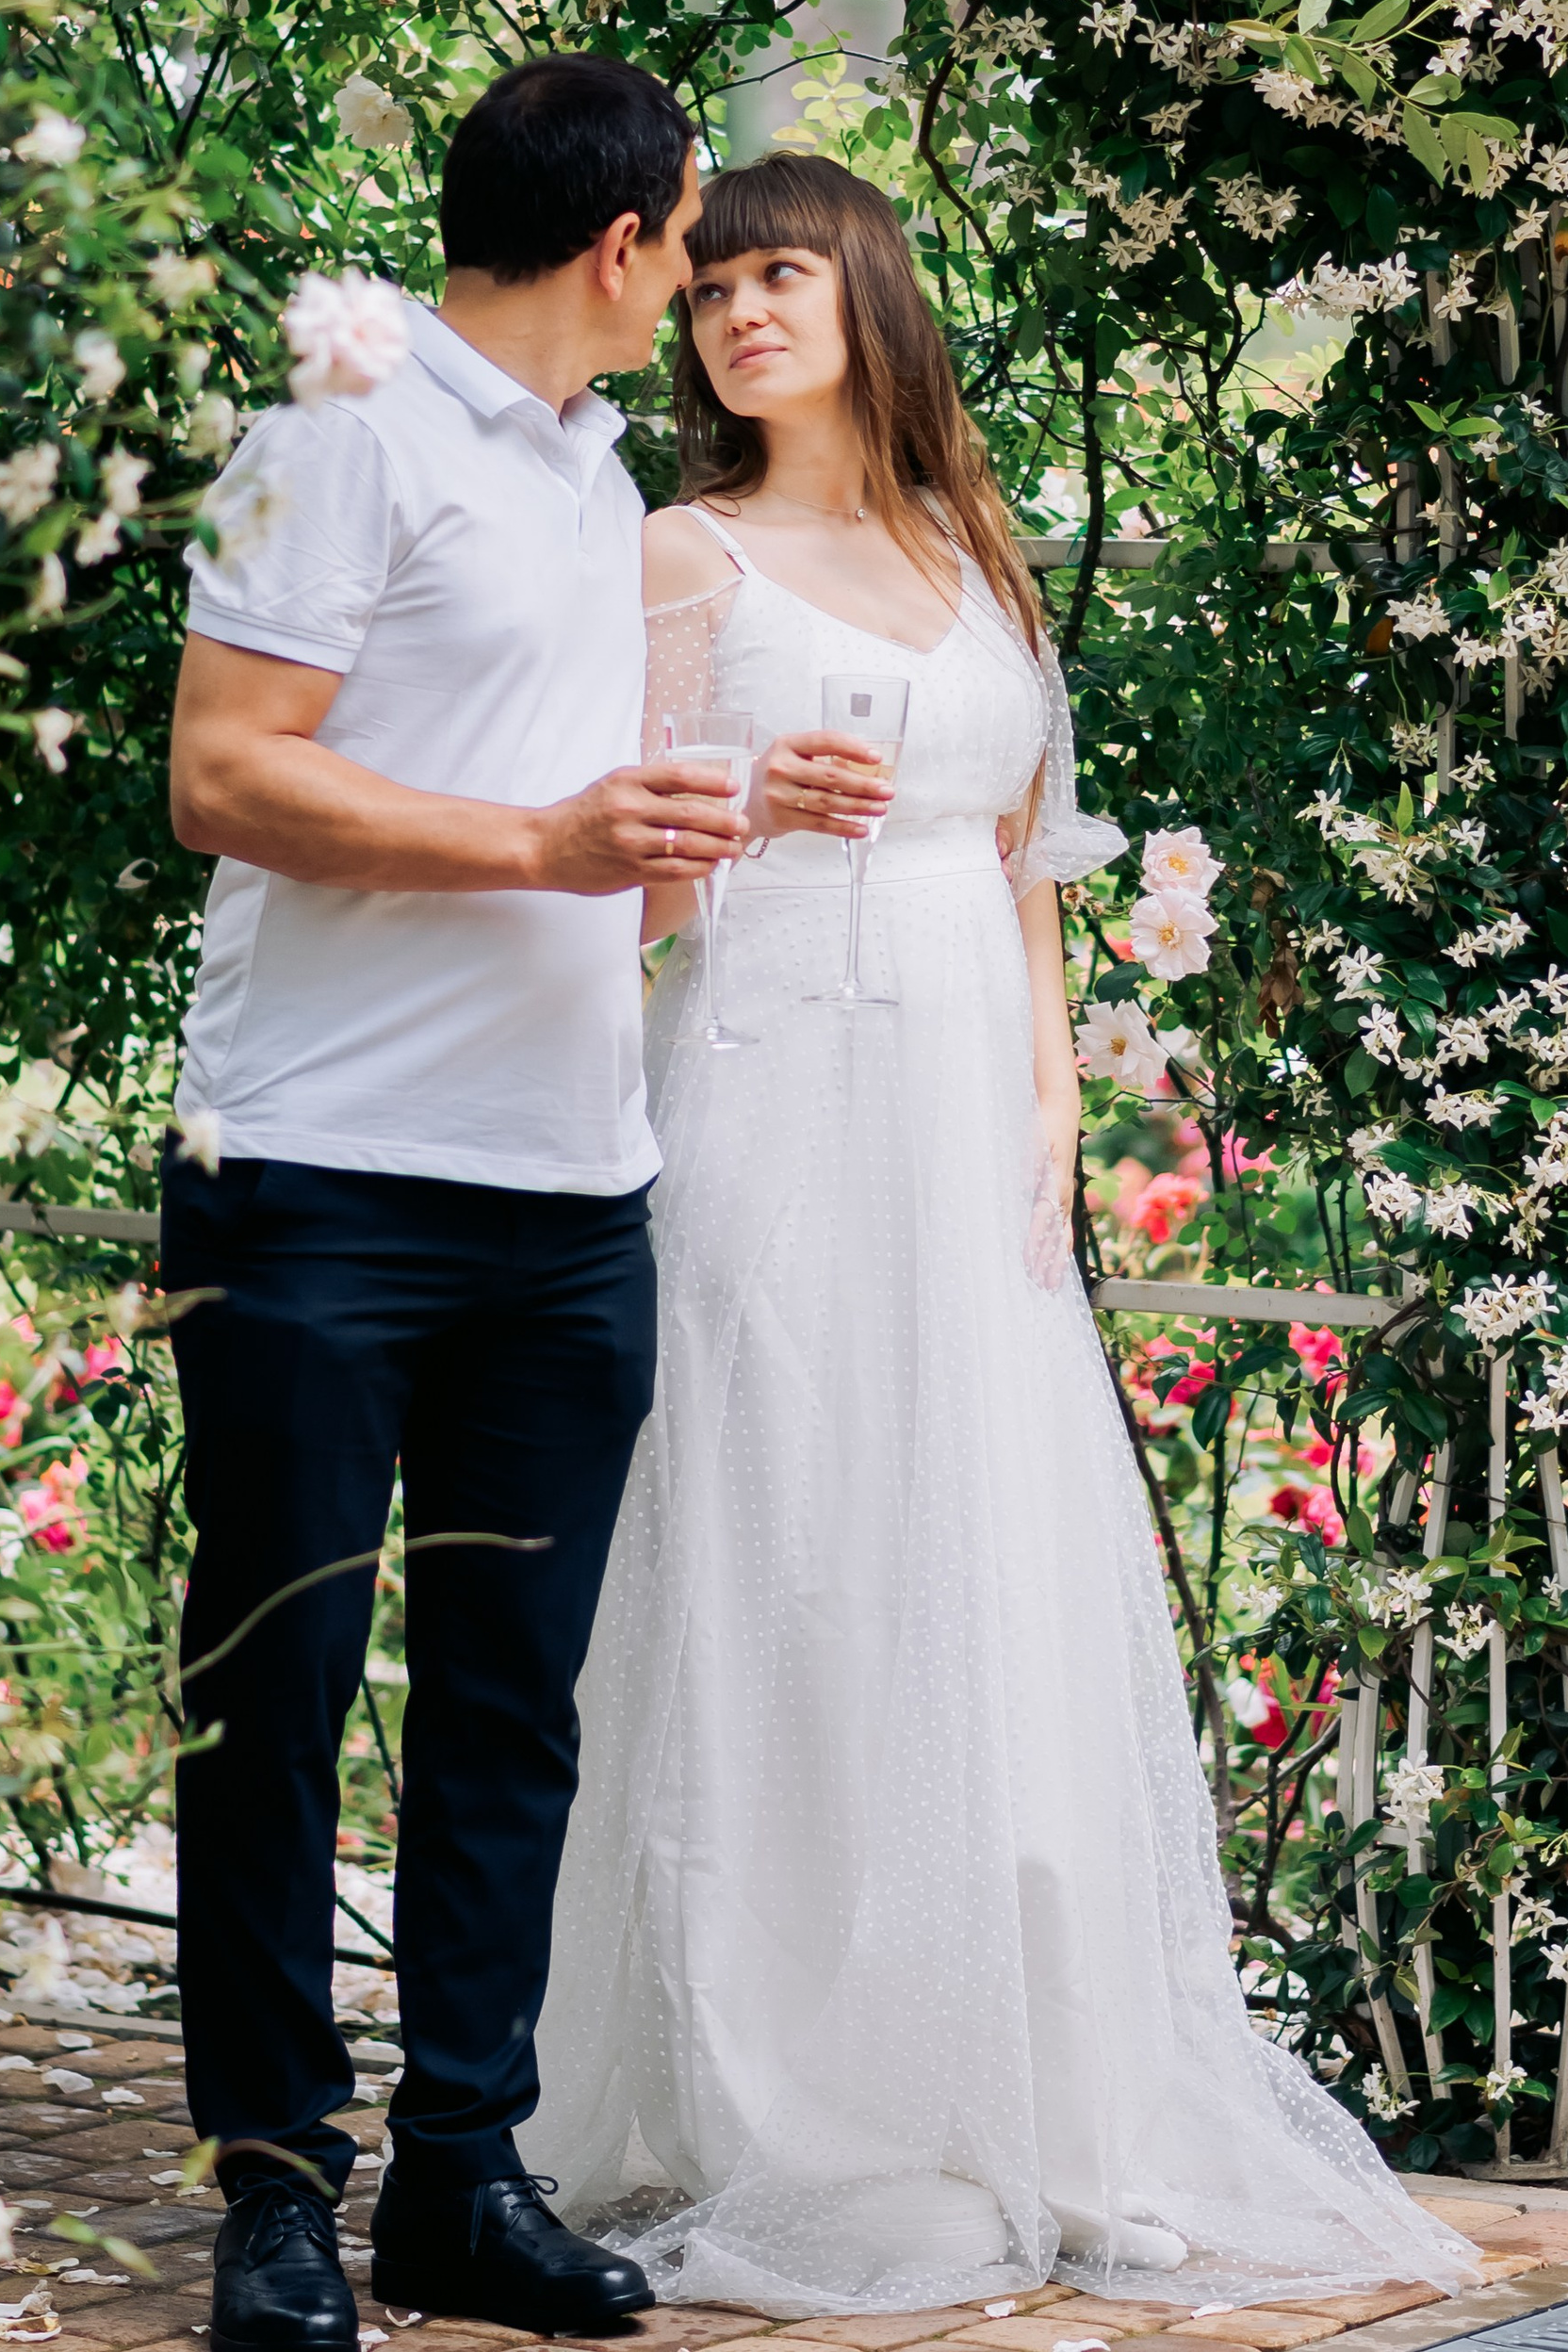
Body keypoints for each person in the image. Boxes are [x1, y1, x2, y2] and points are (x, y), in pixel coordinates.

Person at [524, 155, 1476, 2316]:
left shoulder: (974, 551)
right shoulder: (684, 554)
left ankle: (1038, 2100)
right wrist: (746, 802)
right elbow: (630, 890)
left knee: (985, 1568)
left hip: (966, 1117)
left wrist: (1052, 1108)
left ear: (864, 289)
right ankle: (801, 2113)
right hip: (769, 1083)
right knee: (788, 1556)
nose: (737, 318)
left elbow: (1034, 868)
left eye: (778, 276)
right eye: (706, 292)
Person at [162, 56, 749, 2352]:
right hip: (315, 1184)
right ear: (621, 246)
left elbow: (585, 811)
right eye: (691, 236)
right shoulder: (344, 420)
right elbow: (225, 770)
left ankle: (457, 2181)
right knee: (277, 1700)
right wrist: (545, 845)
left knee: (511, 1715)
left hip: (565, 1194)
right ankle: (276, 2204)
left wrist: (710, 825)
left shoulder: (596, 473)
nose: (694, 277)